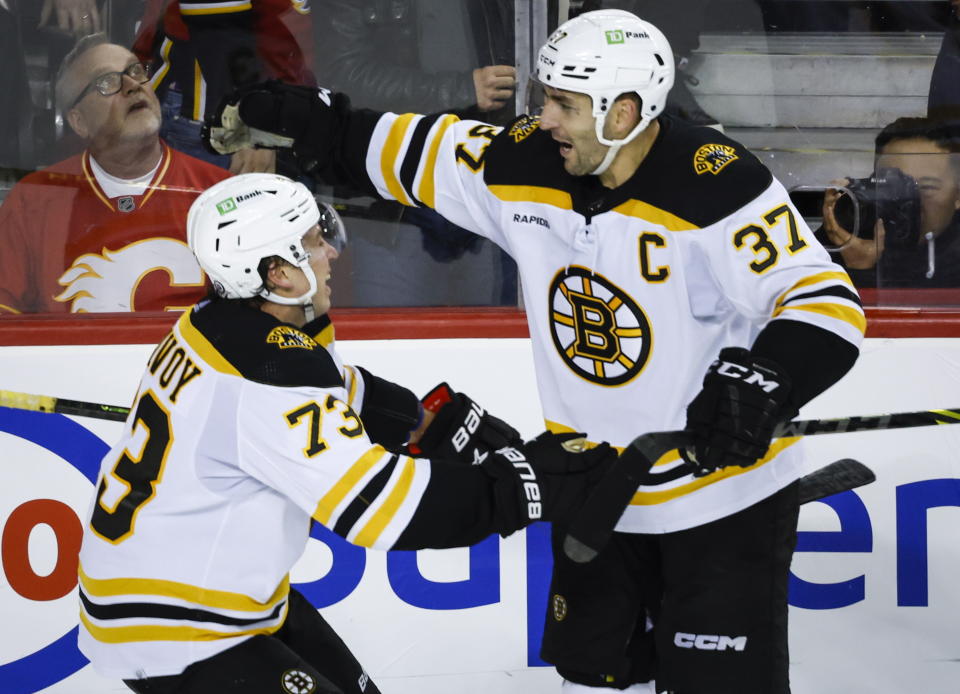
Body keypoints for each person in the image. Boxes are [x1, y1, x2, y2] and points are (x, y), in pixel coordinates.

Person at [205, 9, 867, 692]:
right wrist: (314, 121)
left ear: (625, 113)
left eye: (565, 104)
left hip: (722, 500)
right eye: (544, 97)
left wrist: (765, 380)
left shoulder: (715, 181)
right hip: (598, 487)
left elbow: (824, 300)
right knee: (593, 667)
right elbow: (405, 148)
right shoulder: (523, 160)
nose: (544, 117)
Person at [77, 172, 617, 693]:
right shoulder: (267, 368)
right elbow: (383, 509)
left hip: (213, 597)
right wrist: (522, 487)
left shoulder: (221, 321)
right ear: (278, 273)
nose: (332, 252)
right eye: (314, 242)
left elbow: (334, 390)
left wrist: (427, 422)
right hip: (178, 627)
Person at [0, 33, 230, 314]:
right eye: (107, 82)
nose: (132, 85)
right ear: (79, 121)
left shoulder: (220, 193)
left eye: (134, 71)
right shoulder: (34, 200)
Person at [312, 0, 519, 307]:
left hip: (483, 194)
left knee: (494, 342)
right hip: (392, 209)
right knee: (389, 344)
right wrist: (460, 89)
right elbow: (341, 78)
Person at [132, 0, 317, 174]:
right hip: (214, 107)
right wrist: (252, 128)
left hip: (269, 101)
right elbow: (219, 38)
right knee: (221, 204)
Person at [819, 116, 960, 288]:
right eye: (895, 184)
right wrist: (841, 214)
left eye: (927, 187)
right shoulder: (851, 226)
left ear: (957, 196)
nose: (908, 197)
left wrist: (862, 269)